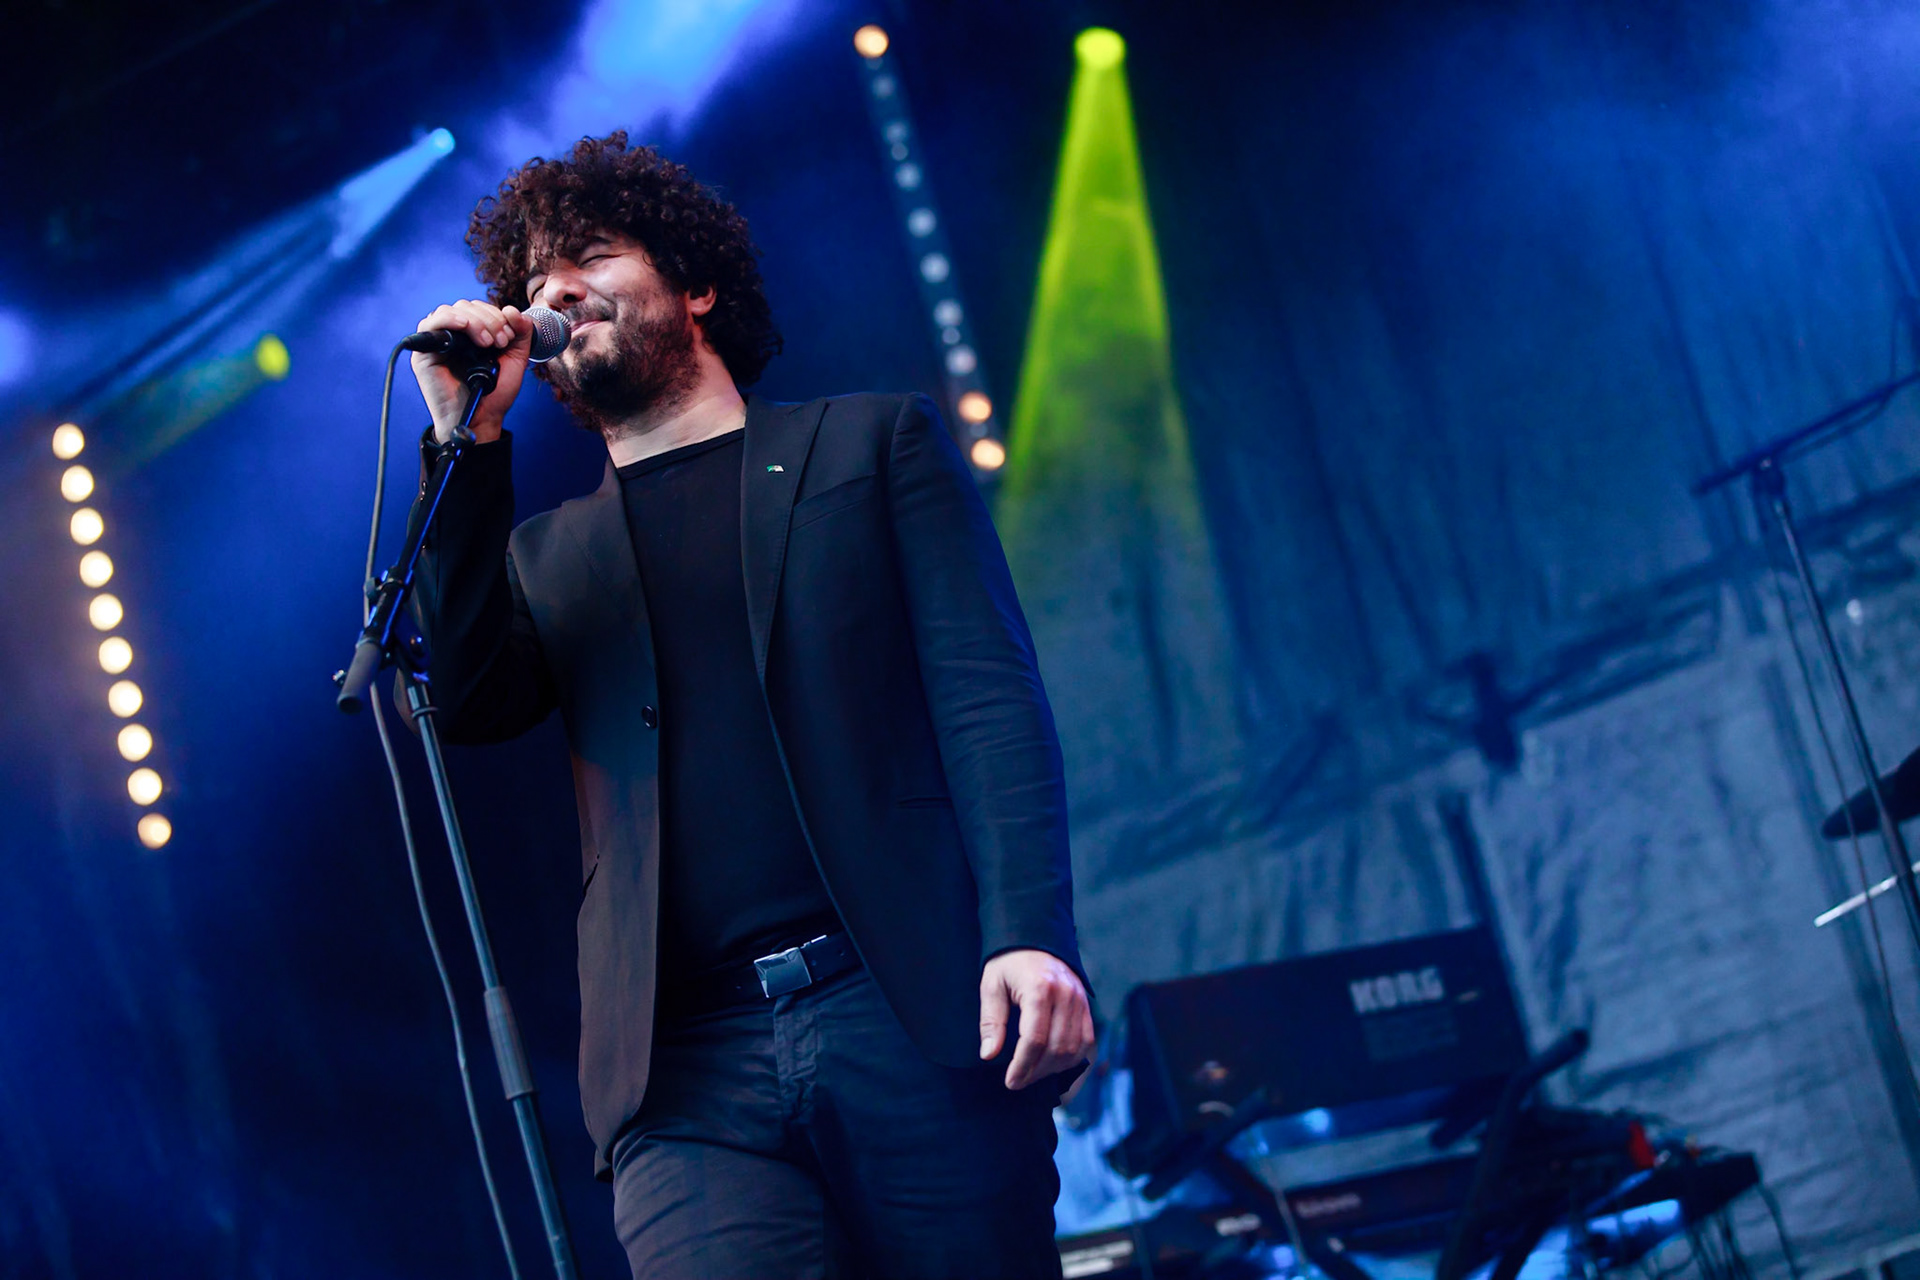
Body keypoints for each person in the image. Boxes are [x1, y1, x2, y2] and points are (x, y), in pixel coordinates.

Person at [403, 131, 1094, 1279]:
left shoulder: (869, 445)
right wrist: (465, 443)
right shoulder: (551, 554)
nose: (553, 292)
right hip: (685, 1069)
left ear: (696, 283)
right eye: (532, 283)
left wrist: (1030, 932)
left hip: (901, 1005)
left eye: (587, 258)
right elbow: (470, 699)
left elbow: (989, 701)